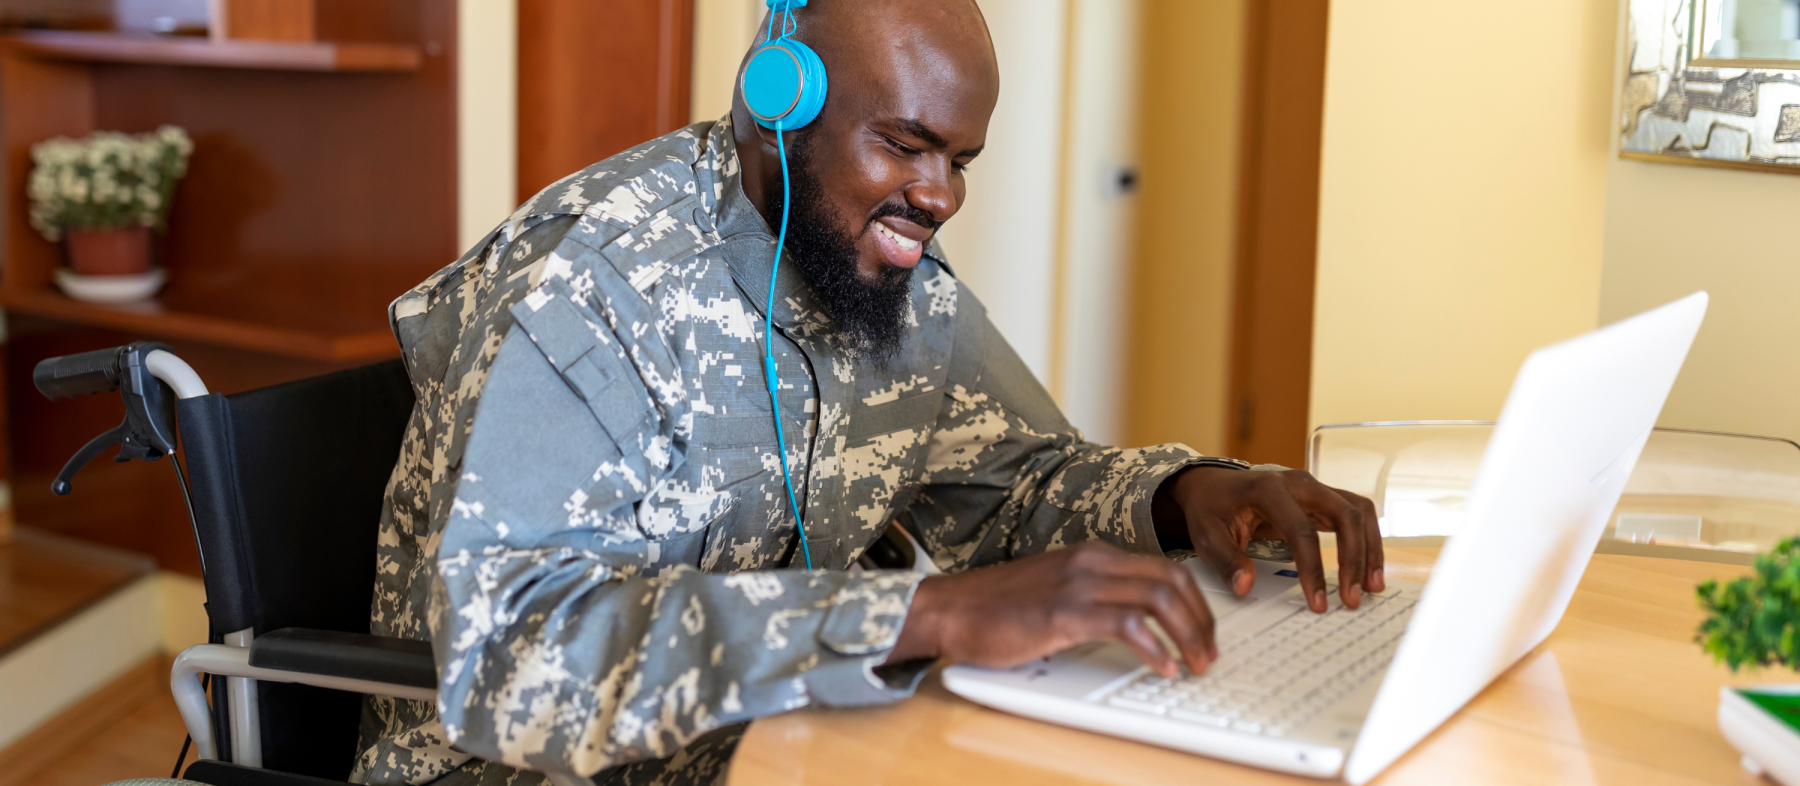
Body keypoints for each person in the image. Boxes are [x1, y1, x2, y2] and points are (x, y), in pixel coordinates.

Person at [354, 1, 1383, 784]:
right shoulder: (594, 286)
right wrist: (915, 615)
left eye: (960, 159)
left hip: (777, 754)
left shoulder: (883, 277)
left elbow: (1018, 484)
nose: (940, 196)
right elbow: (513, 658)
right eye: (904, 144)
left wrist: (1184, 494)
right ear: (780, 106)